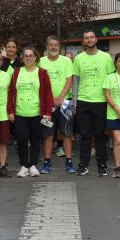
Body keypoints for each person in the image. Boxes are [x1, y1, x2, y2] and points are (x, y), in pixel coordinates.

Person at [72, 31, 115, 176]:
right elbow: (75, 82)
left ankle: (102, 165)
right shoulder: (78, 58)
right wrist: (74, 102)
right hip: (83, 101)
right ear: (84, 41)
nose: (89, 40)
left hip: (101, 101)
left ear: (96, 39)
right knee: (85, 136)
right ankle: (83, 165)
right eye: (86, 38)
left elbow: (111, 81)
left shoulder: (106, 57)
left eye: (91, 37)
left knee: (100, 136)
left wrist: (112, 102)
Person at [8, 47, 54, 178]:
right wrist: (10, 111)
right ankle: (24, 165)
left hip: (37, 113)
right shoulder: (17, 72)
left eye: (31, 55)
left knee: (35, 140)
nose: (28, 58)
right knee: (21, 139)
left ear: (36, 58)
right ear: (22, 58)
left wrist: (48, 113)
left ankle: (32, 165)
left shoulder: (42, 73)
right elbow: (11, 92)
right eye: (25, 56)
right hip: (20, 113)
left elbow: (48, 94)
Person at [38, 36, 76, 174]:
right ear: (47, 46)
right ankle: (47, 163)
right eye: (51, 45)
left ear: (59, 47)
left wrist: (60, 97)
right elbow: (39, 82)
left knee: (66, 133)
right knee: (47, 134)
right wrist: (50, 99)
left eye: (56, 45)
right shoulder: (40, 62)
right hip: (47, 106)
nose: (53, 47)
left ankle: (69, 162)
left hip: (65, 104)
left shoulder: (66, 61)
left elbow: (69, 80)